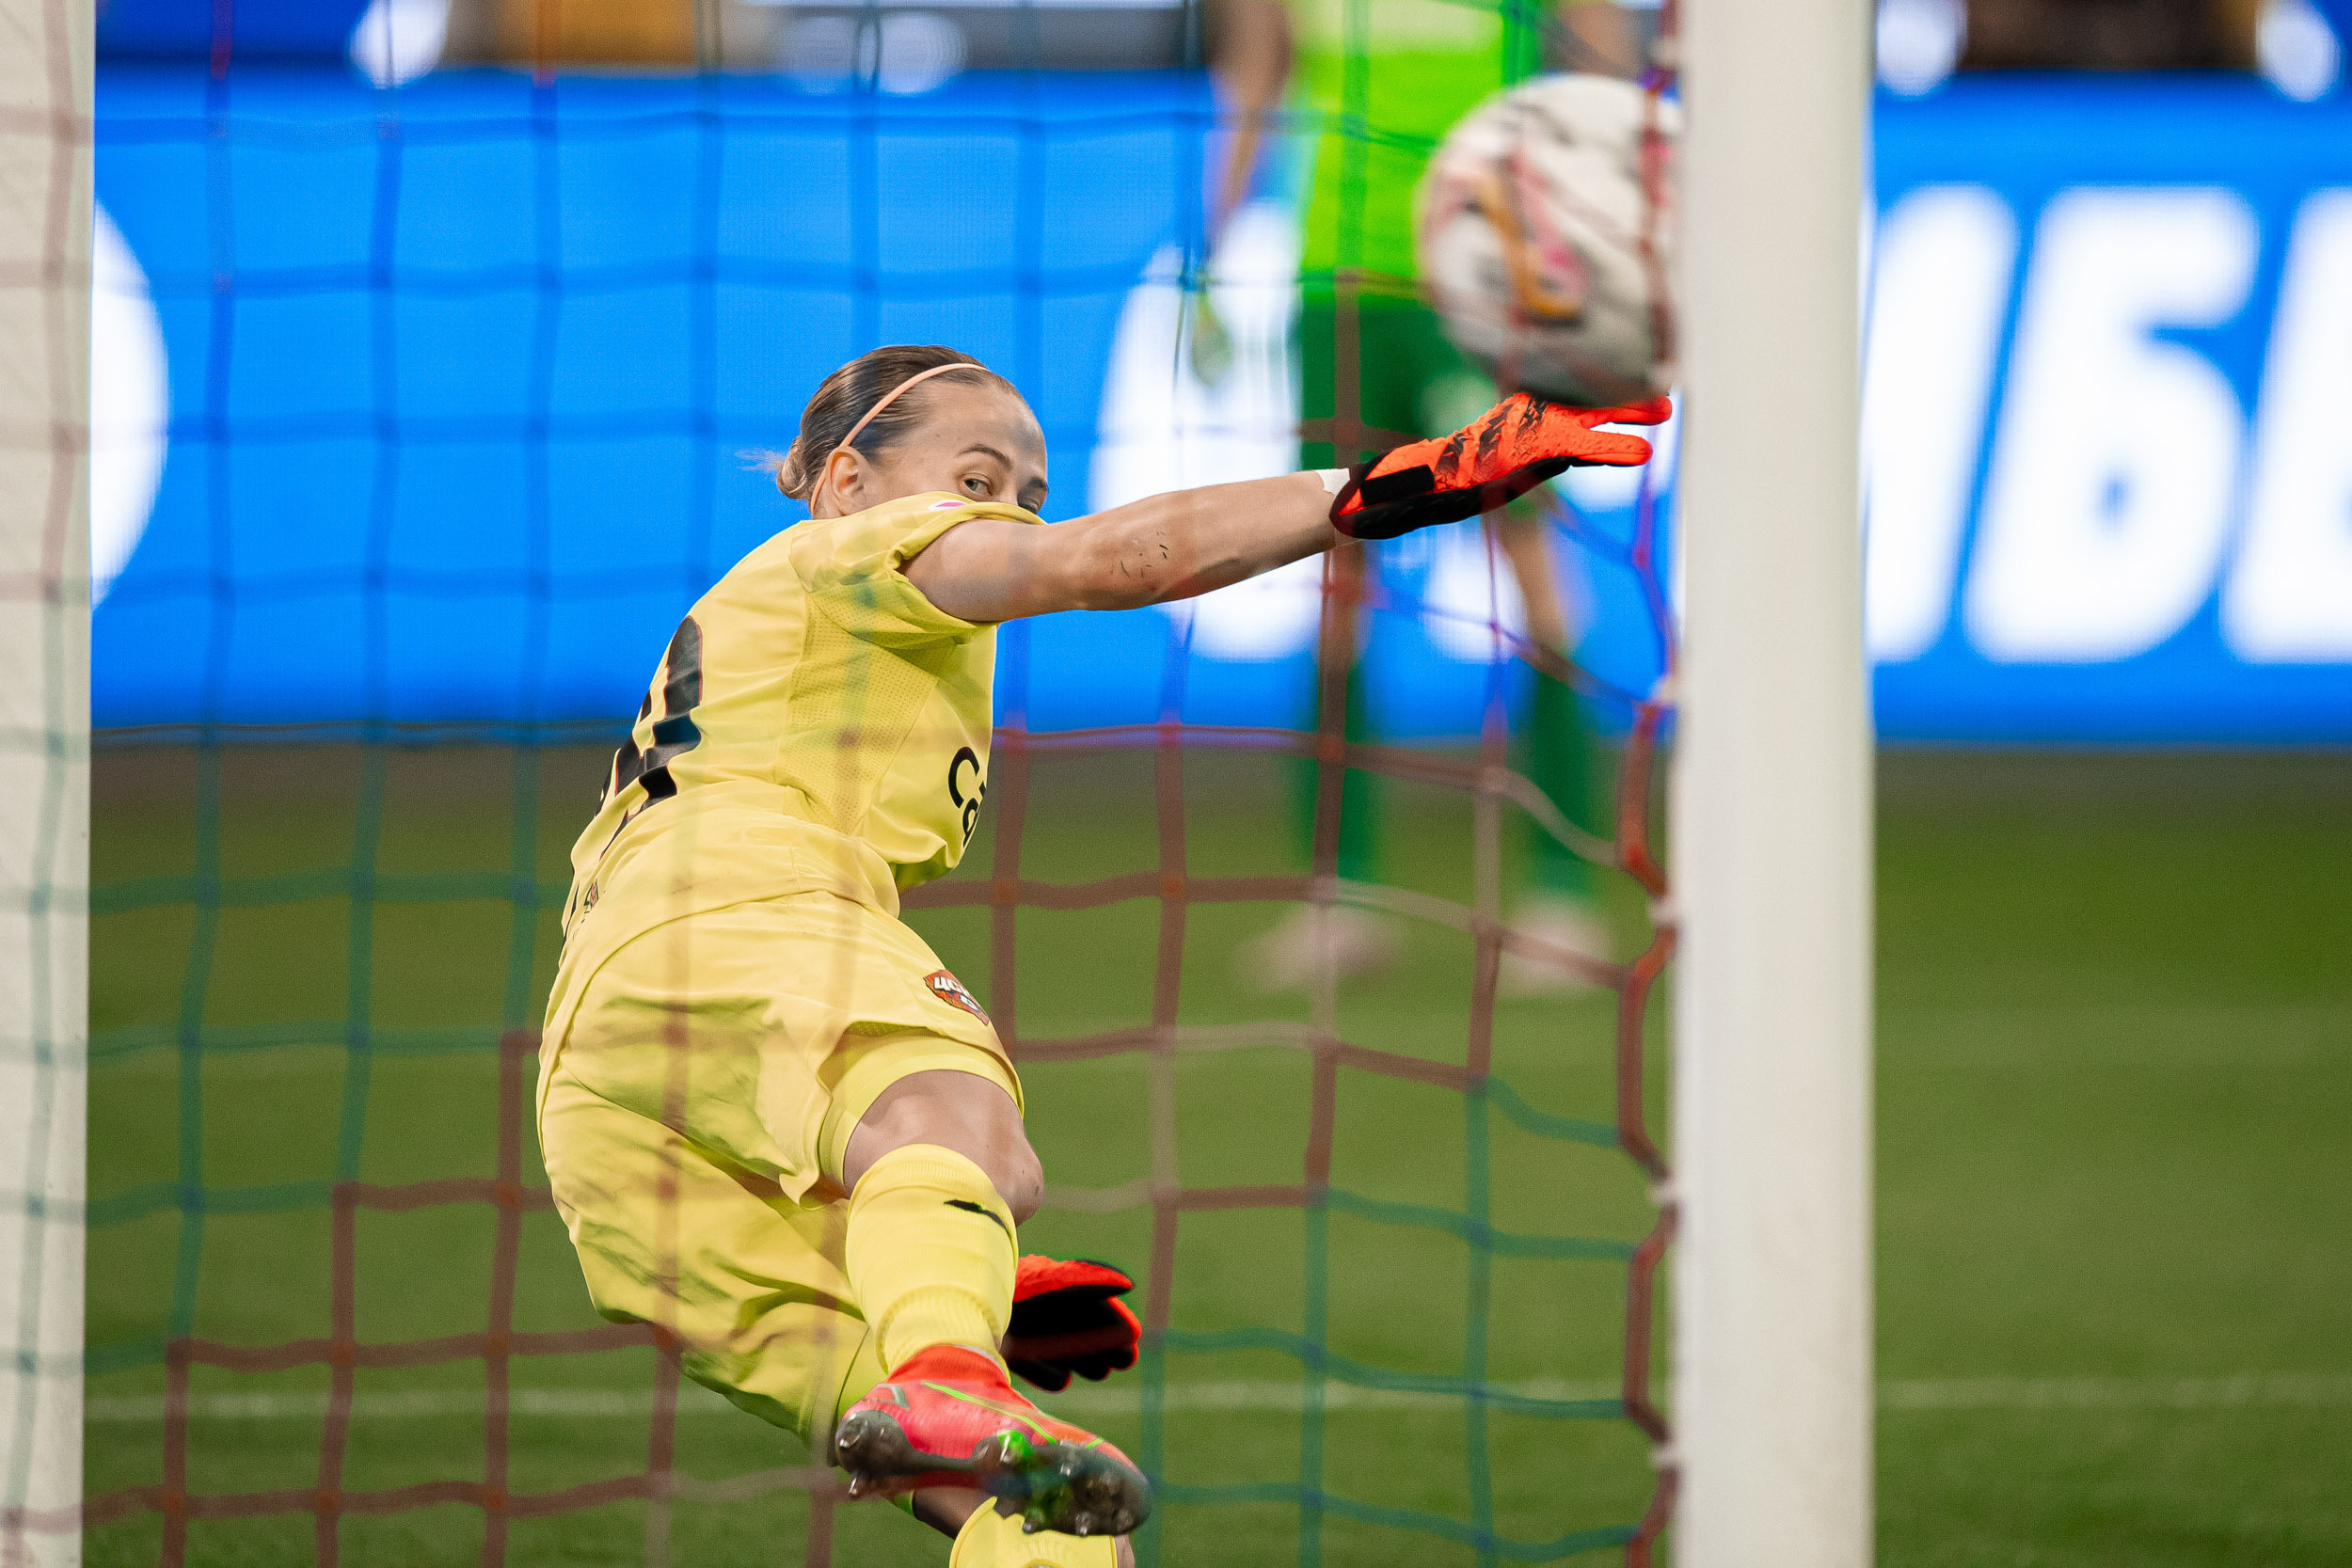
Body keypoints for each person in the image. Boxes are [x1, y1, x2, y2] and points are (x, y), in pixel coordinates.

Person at [537, 342, 1661, 1566]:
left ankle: (942, 1342)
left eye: (1030, 492)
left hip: (606, 1098)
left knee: (1028, 1504)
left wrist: (961, 1259)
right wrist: (1379, 490)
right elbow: (1111, 558)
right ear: (848, 480)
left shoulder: (834, 640)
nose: (1008, 513)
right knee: (955, 1110)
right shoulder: (852, 553)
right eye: (977, 478)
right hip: (733, 906)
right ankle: (945, 1359)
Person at [1207, 0, 1648, 992]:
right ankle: (1339, 896)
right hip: (1339, 288)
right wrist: (1211, 251)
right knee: (1334, 580)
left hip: (1488, 289)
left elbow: (1609, 81)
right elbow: (1252, 85)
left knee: (1531, 575)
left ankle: (1558, 896)